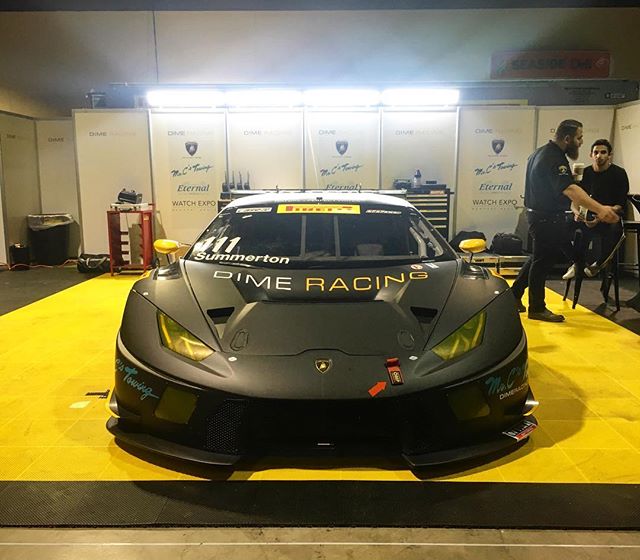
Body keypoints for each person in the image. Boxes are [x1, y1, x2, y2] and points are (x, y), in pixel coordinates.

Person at [510, 120, 620, 322]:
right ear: (567, 138)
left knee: (540, 257)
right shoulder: (554, 158)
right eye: (579, 138)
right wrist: (601, 209)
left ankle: (514, 295)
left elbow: (557, 188)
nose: (581, 142)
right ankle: (537, 307)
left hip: (540, 215)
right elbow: (569, 189)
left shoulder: (541, 153)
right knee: (543, 261)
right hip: (545, 217)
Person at [562, 139, 629, 280]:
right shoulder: (584, 173)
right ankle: (576, 262)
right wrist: (576, 213)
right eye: (596, 152)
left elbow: (620, 204)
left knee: (616, 229)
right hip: (587, 215)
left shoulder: (619, 173)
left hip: (609, 215)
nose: (599, 156)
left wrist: (601, 215)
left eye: (603, 152)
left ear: (609, 155)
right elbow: (574, 201)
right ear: (591, 155)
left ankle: (599, 264)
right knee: (562, 225)